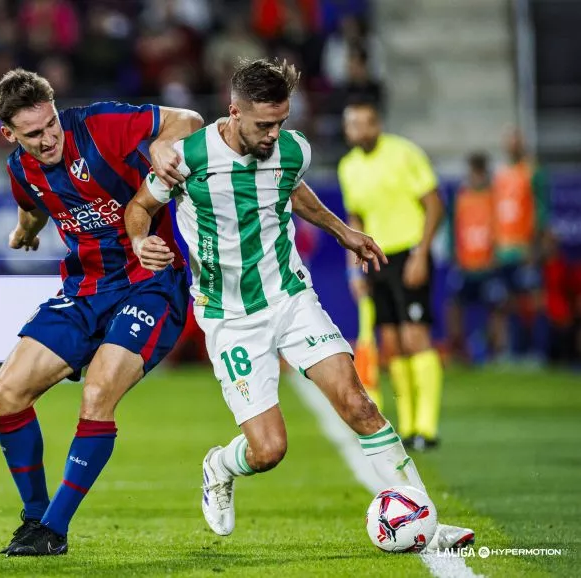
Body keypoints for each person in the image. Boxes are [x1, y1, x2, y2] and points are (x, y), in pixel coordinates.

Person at [125, 58, 473, 551]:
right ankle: (220, 465)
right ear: (233, 112)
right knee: (269, 450)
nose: (273, 135)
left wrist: (344, 232)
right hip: (229, 318)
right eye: (264, 124)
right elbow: (139, 208)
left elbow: (293, 190)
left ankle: (426, 524)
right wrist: (141, 243)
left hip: (290, 297)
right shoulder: (187, 158)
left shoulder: (292, 150)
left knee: (358, 404)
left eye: (282, 122)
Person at [0, 68, 203, 556]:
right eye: (32, 135)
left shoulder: (100, 124)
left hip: (150, 282)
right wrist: (24, 232)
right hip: (84, 289)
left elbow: (188, 118)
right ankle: (34, 517)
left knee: (99, 391)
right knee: (5, 392)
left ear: (56, 111)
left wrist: (166, 145)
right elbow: (32, 204)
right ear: (9, 134)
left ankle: (54, 531)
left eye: (50, 126)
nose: (46, 140)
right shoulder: (22, 169)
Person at [338, 99, 446, 451]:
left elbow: (434, 204)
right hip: (375, 257)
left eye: (364, 123)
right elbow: (355, 220)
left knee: (416, 338)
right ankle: (408, 424)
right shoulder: (348, 167)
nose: (358, 130)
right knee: (393, 344)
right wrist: (354, 268)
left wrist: (421, 253)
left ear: (377, 124)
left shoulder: (403, 153)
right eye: (352, 124)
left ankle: (426, 427)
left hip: (407, 252)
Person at [490, 128, 550, 362]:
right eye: (509, 142)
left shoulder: (533, 172)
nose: (512, 147)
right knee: (507, 303)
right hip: (504, 250)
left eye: (516, 143)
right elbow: (496, 212)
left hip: (525, 248)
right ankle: (511, 351)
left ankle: (538, 351)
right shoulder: (501, 174)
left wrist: (535, 246)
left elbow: (541, 210)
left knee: (534, 301)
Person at [445, 152, 498, 363]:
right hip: (466, 263)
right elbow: (453, 228)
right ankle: (459, 350)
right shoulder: (462, 196)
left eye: (478, 172)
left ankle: (495, 351)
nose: (475, 177)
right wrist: (453, 254)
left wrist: (496, 255)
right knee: (454, 306)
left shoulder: (493, 196)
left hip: (488, 264)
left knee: (496, 307)